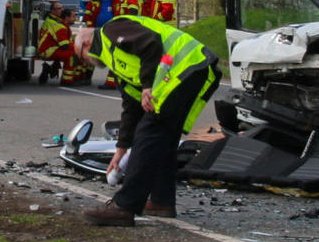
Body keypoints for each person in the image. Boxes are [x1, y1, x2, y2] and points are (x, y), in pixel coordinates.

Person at [73, 15, 220, 226]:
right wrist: (121, 148)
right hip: (188, 71)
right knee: (164, 139)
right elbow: (131, 108)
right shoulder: (115, 61)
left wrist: (148, 86)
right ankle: (162, 202)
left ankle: (124, 207)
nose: (86, 62)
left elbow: (150, 44)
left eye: (82, 56)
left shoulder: (111, 30)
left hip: (183, 68)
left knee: (148, 135)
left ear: (86, 43)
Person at [35, 2, 91, 86]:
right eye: (59, 8)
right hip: (47, 50)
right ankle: (66, 81)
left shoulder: (58, 21)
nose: (61, 10)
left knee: (78, 52)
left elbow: (68, 41)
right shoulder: (55, 23)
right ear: (52, 11)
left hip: (52, 48)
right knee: (73, 55)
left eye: (61, 8)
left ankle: (75, 77)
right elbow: (65, 45)